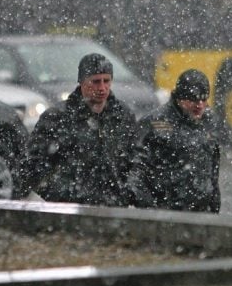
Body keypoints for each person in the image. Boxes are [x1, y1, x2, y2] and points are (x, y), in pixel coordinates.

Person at [18, 53, 146, 206]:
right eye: (96, 82)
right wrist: (63, 195)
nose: (102, 88)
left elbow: (137, 158)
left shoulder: (122, 115)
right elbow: (34, 165)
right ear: (82, 82)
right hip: (70, 208)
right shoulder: (58, 117)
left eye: (107, 81)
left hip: (113, 207)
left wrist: (128, 191)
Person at [138, 69, 221, 212]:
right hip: (167, 210)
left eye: (204, 99)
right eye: (193, 99)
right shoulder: (154, 123)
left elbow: (213, 168)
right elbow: (136, 170)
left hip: (202, 211)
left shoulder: (209, 121)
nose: (200, 105)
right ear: (179, 98)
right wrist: (151, 206)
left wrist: (214, 202)